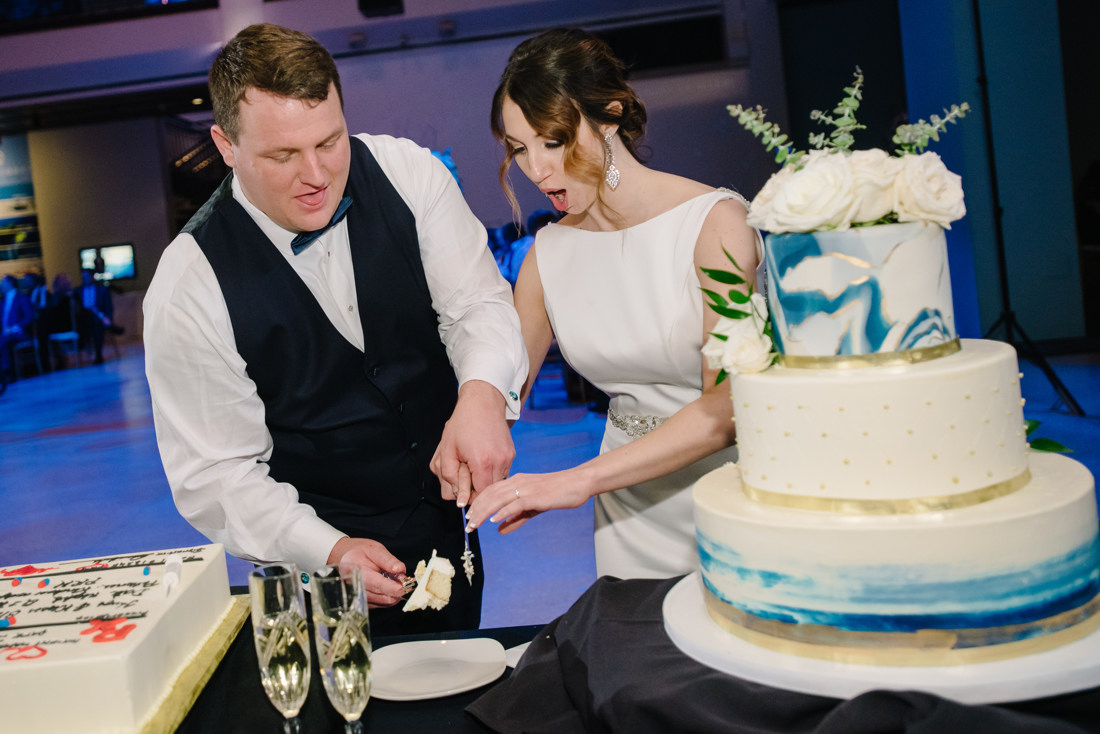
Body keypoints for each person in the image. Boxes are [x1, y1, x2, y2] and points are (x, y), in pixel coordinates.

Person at [143, 23, 527, 634]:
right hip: (309, 567)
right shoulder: (189, 283)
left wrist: (482, 396)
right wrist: (329, 549)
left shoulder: (411, 174)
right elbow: (219, 475)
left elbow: (478, 305)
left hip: (440, 533)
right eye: (282, 155)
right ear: (225, 145)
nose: (316, 174)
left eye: (330, 141)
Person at [462, 28, 763, 580]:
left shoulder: (715, 225)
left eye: (552, 141)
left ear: (609, 117)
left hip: (731, 498)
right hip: (627, 516)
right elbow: (505, 390)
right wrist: (467, 423)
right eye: (519, 149)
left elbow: (726, 411)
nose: (536, 170)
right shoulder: (545, 257)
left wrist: (577, 479)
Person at [74, 268, 114, 364]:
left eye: (87, 276)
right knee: (83, 325)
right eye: (83, 277)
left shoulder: (102, 290)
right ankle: (86, 349)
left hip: (98, 317)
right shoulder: (77, 291)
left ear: (92, 277)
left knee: (97, 326)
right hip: (83, 319)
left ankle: (98, 354)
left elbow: (108, 306)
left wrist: (107, 317)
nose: (84, 279)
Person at [1, 274, 35, 381]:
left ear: (10, 284)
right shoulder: (2, 301)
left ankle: (8, 373)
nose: (1, 285)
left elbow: (29, 316)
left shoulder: (21, 297)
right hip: (5, 333)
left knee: (3, 342)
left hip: (19, 333)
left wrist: (14, 328)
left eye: (3, 282)